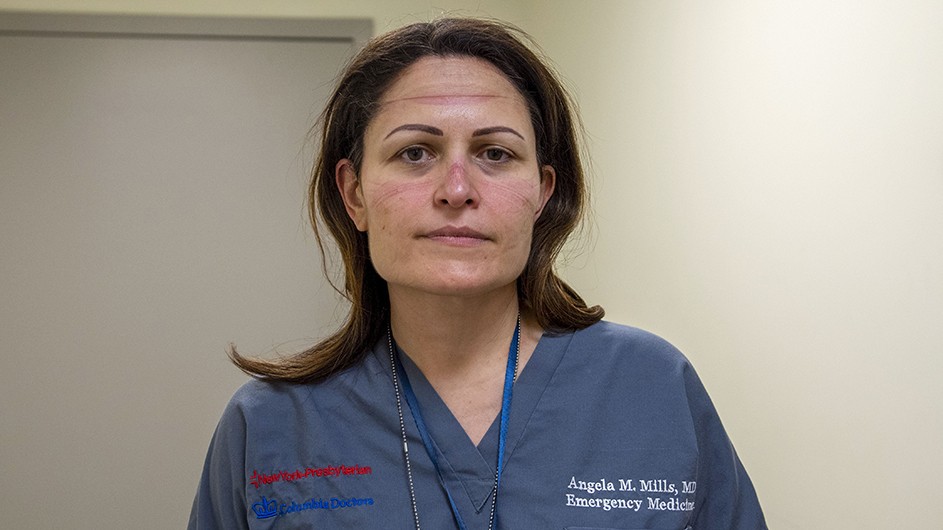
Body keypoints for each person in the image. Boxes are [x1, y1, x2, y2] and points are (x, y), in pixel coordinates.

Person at [188, 17, 766, 530]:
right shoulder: (271, 427)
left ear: (542, 193)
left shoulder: (651, 389)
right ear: (354, 194)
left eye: (495, 153)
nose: (457, 190)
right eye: (415, 152)